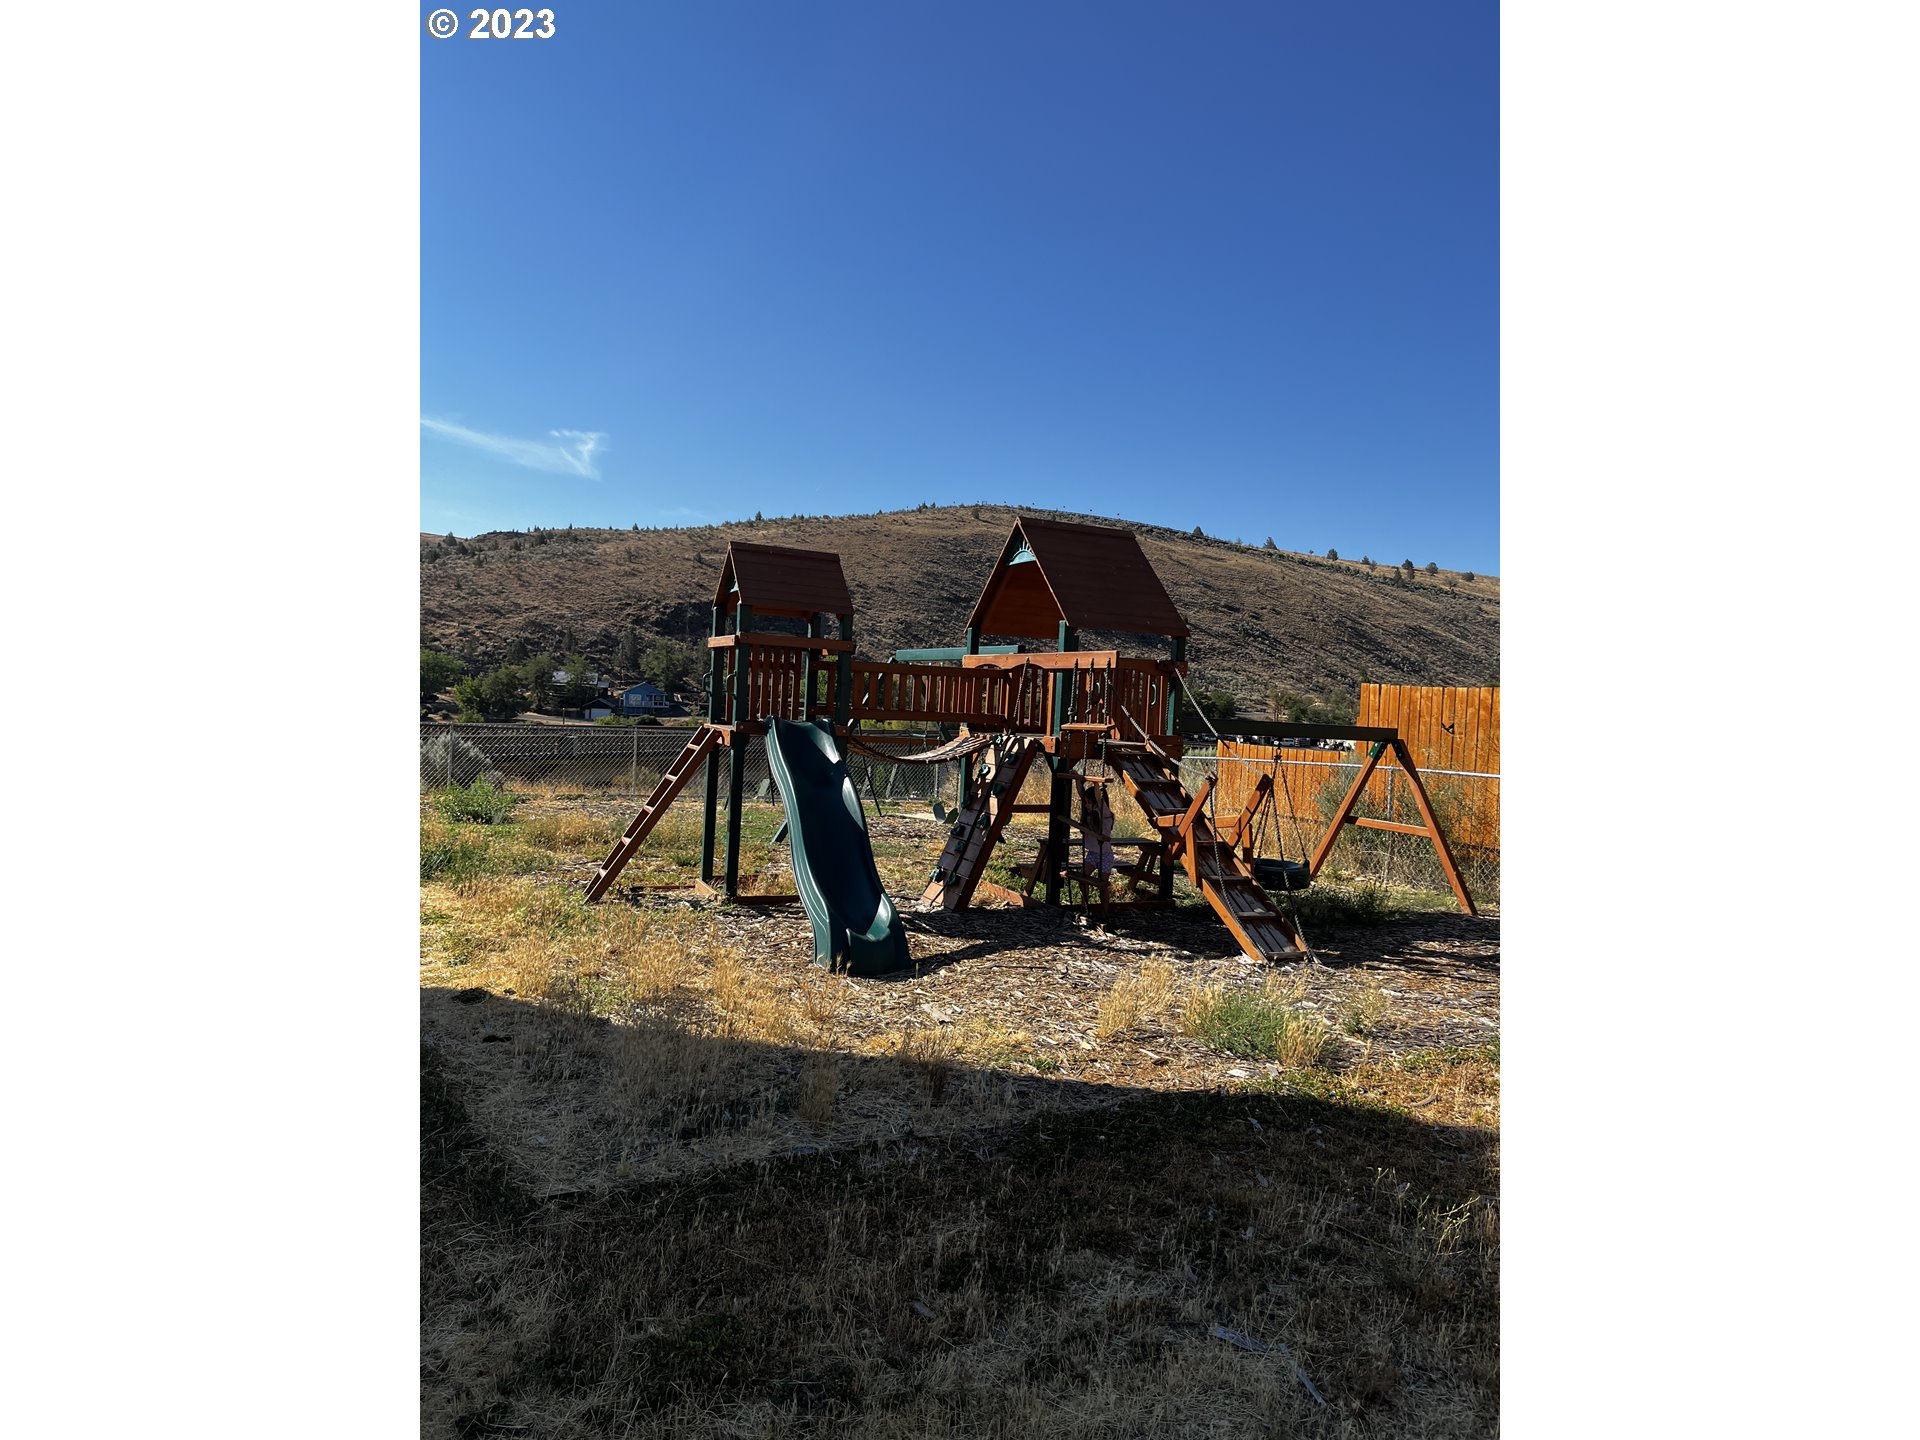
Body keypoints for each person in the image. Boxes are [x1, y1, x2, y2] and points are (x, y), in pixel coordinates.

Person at [1076, 780, 1116, 922]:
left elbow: (1098, 798)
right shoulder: (1090, 814)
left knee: (1102, 885)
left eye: (1088, 802)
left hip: (1105, 855)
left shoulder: (1104, 813)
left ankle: (1105, 913)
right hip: (1093, 854)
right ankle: (1086, 907)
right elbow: (1082, 795)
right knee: (1083, 879)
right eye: (1085, 802)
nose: (1086, 805)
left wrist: (1096, 784)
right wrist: (1077, 779)